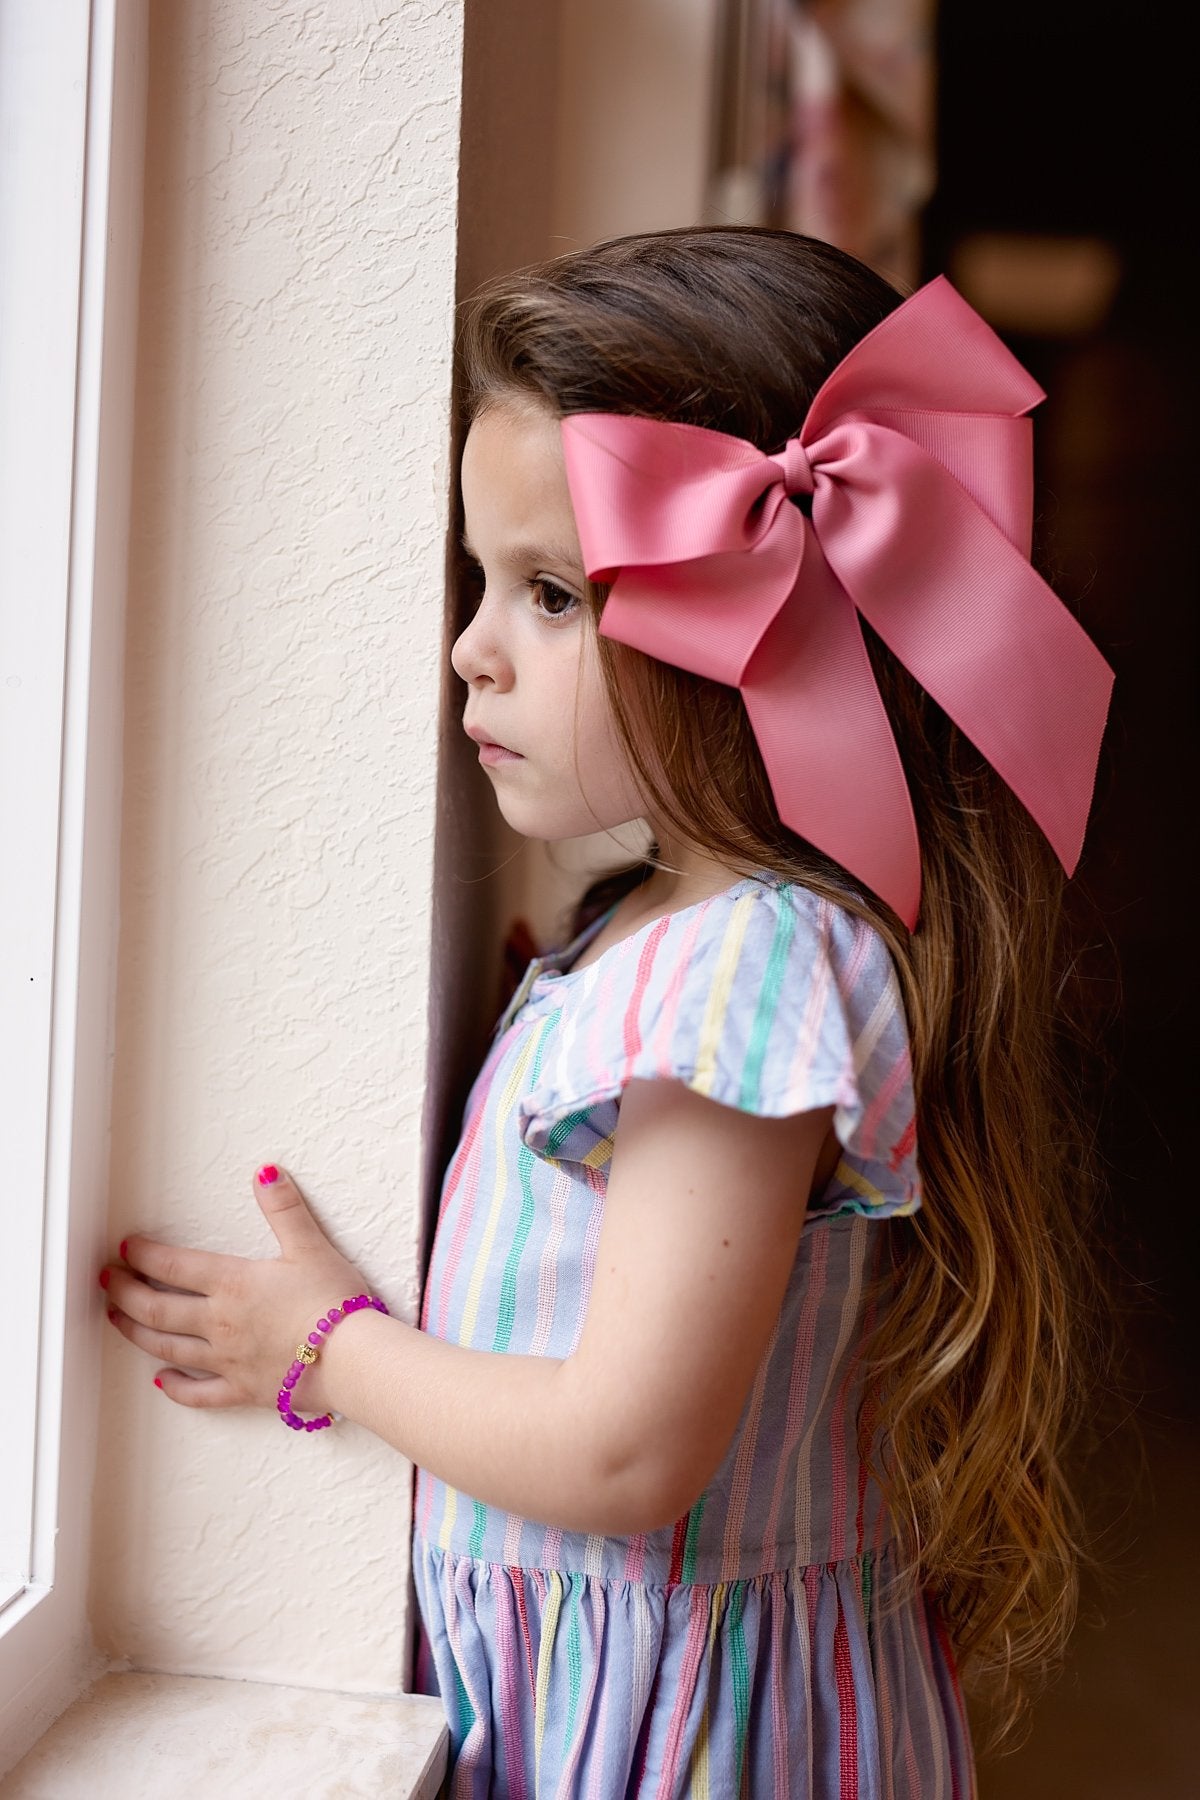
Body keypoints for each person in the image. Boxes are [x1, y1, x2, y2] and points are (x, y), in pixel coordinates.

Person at [101, 227, 1114, 1798]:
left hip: (690, 1738)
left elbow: (630, 1453)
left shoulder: (746, 971)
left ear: (769, 630)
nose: (470, 648)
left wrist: (321, 1341)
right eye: (482, 579)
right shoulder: (670, 941)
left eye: (552, 594)